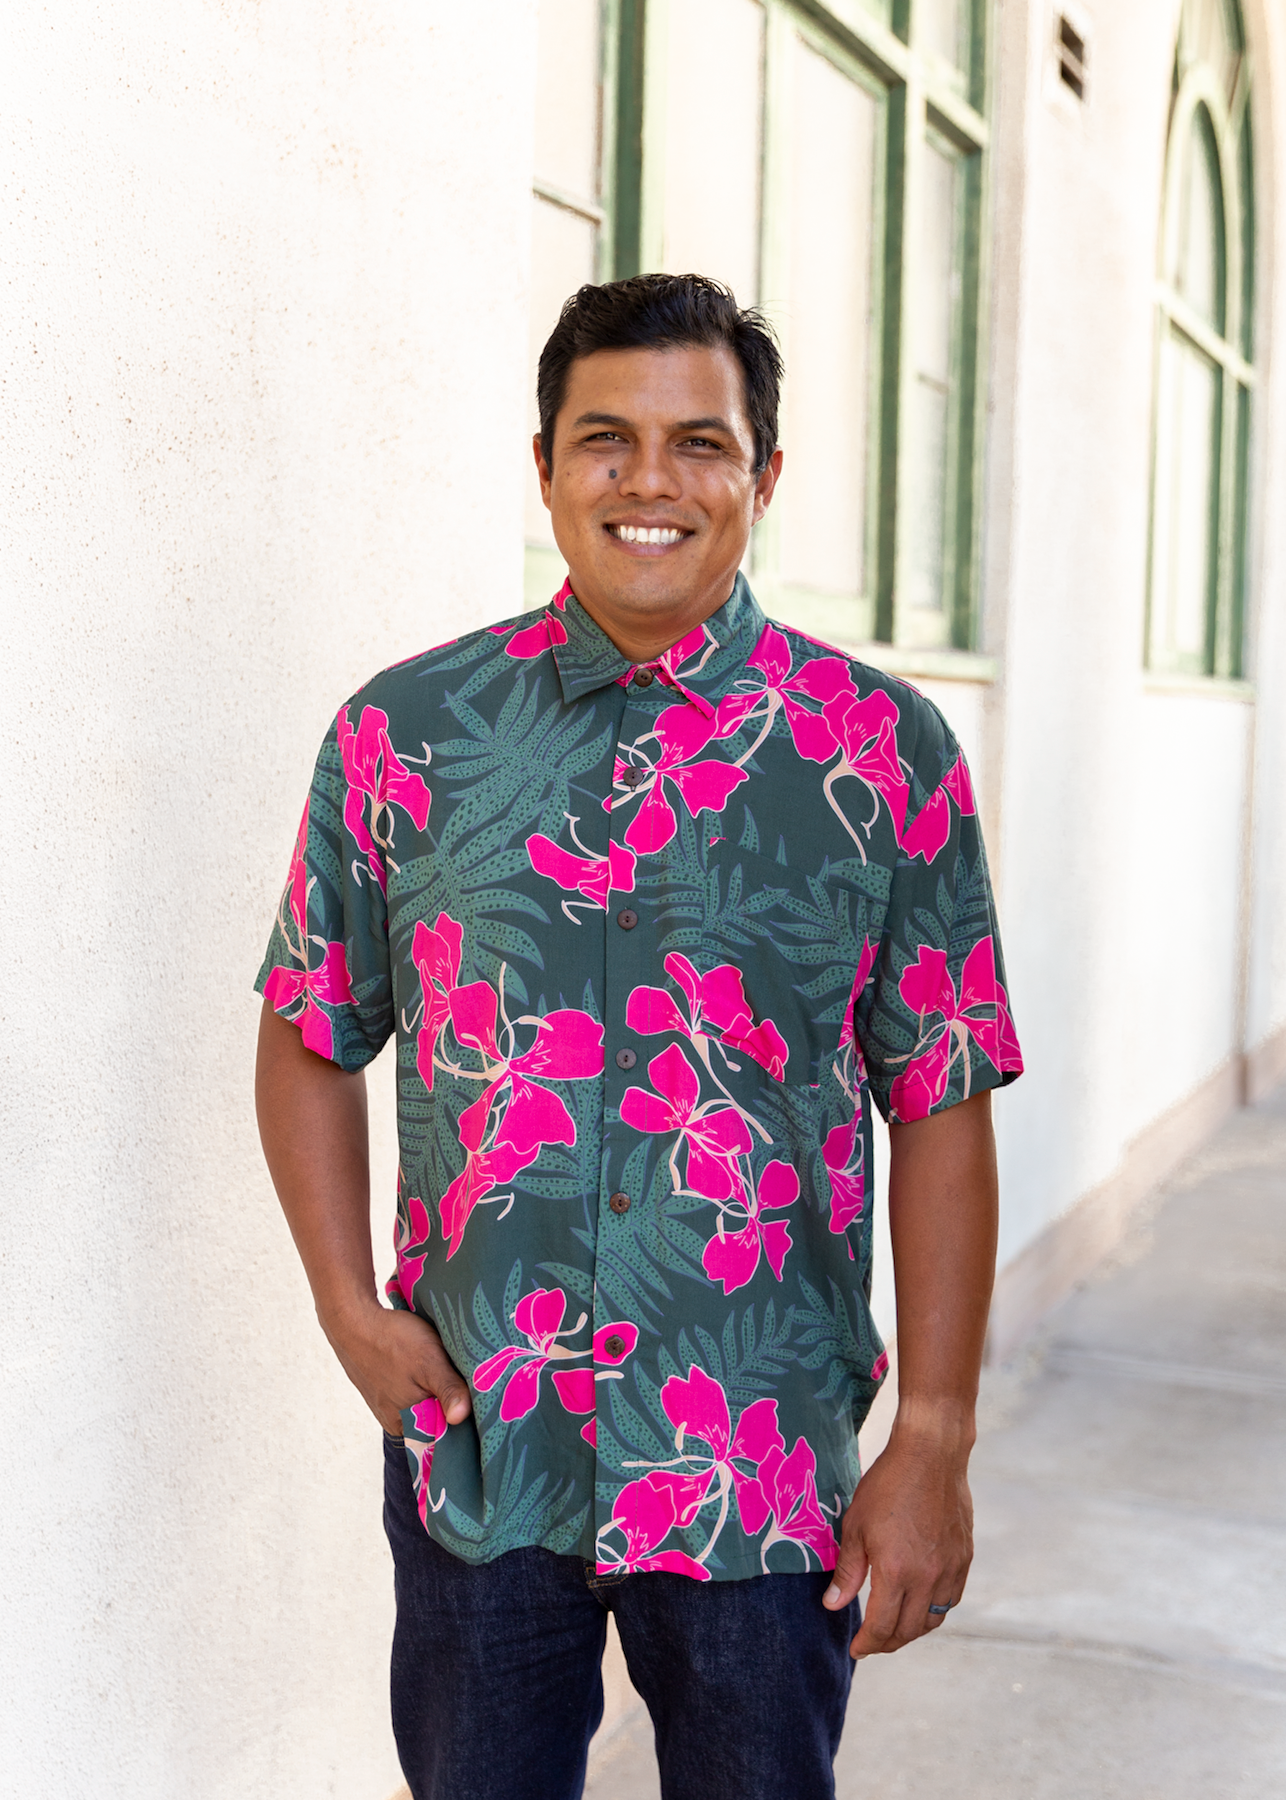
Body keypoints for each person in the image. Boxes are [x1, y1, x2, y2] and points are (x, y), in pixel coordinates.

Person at [254, 273, 1022, 1800]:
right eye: (605, 440)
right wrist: (349, 1309)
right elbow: (308, 1026)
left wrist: (930, 1439)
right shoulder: (405, 735)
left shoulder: (877, 753)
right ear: (544, 465)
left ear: (764, 476)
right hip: (485, 1443)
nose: (650, 482)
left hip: (759, 1461)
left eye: (700, 443)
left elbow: (937, 1100)